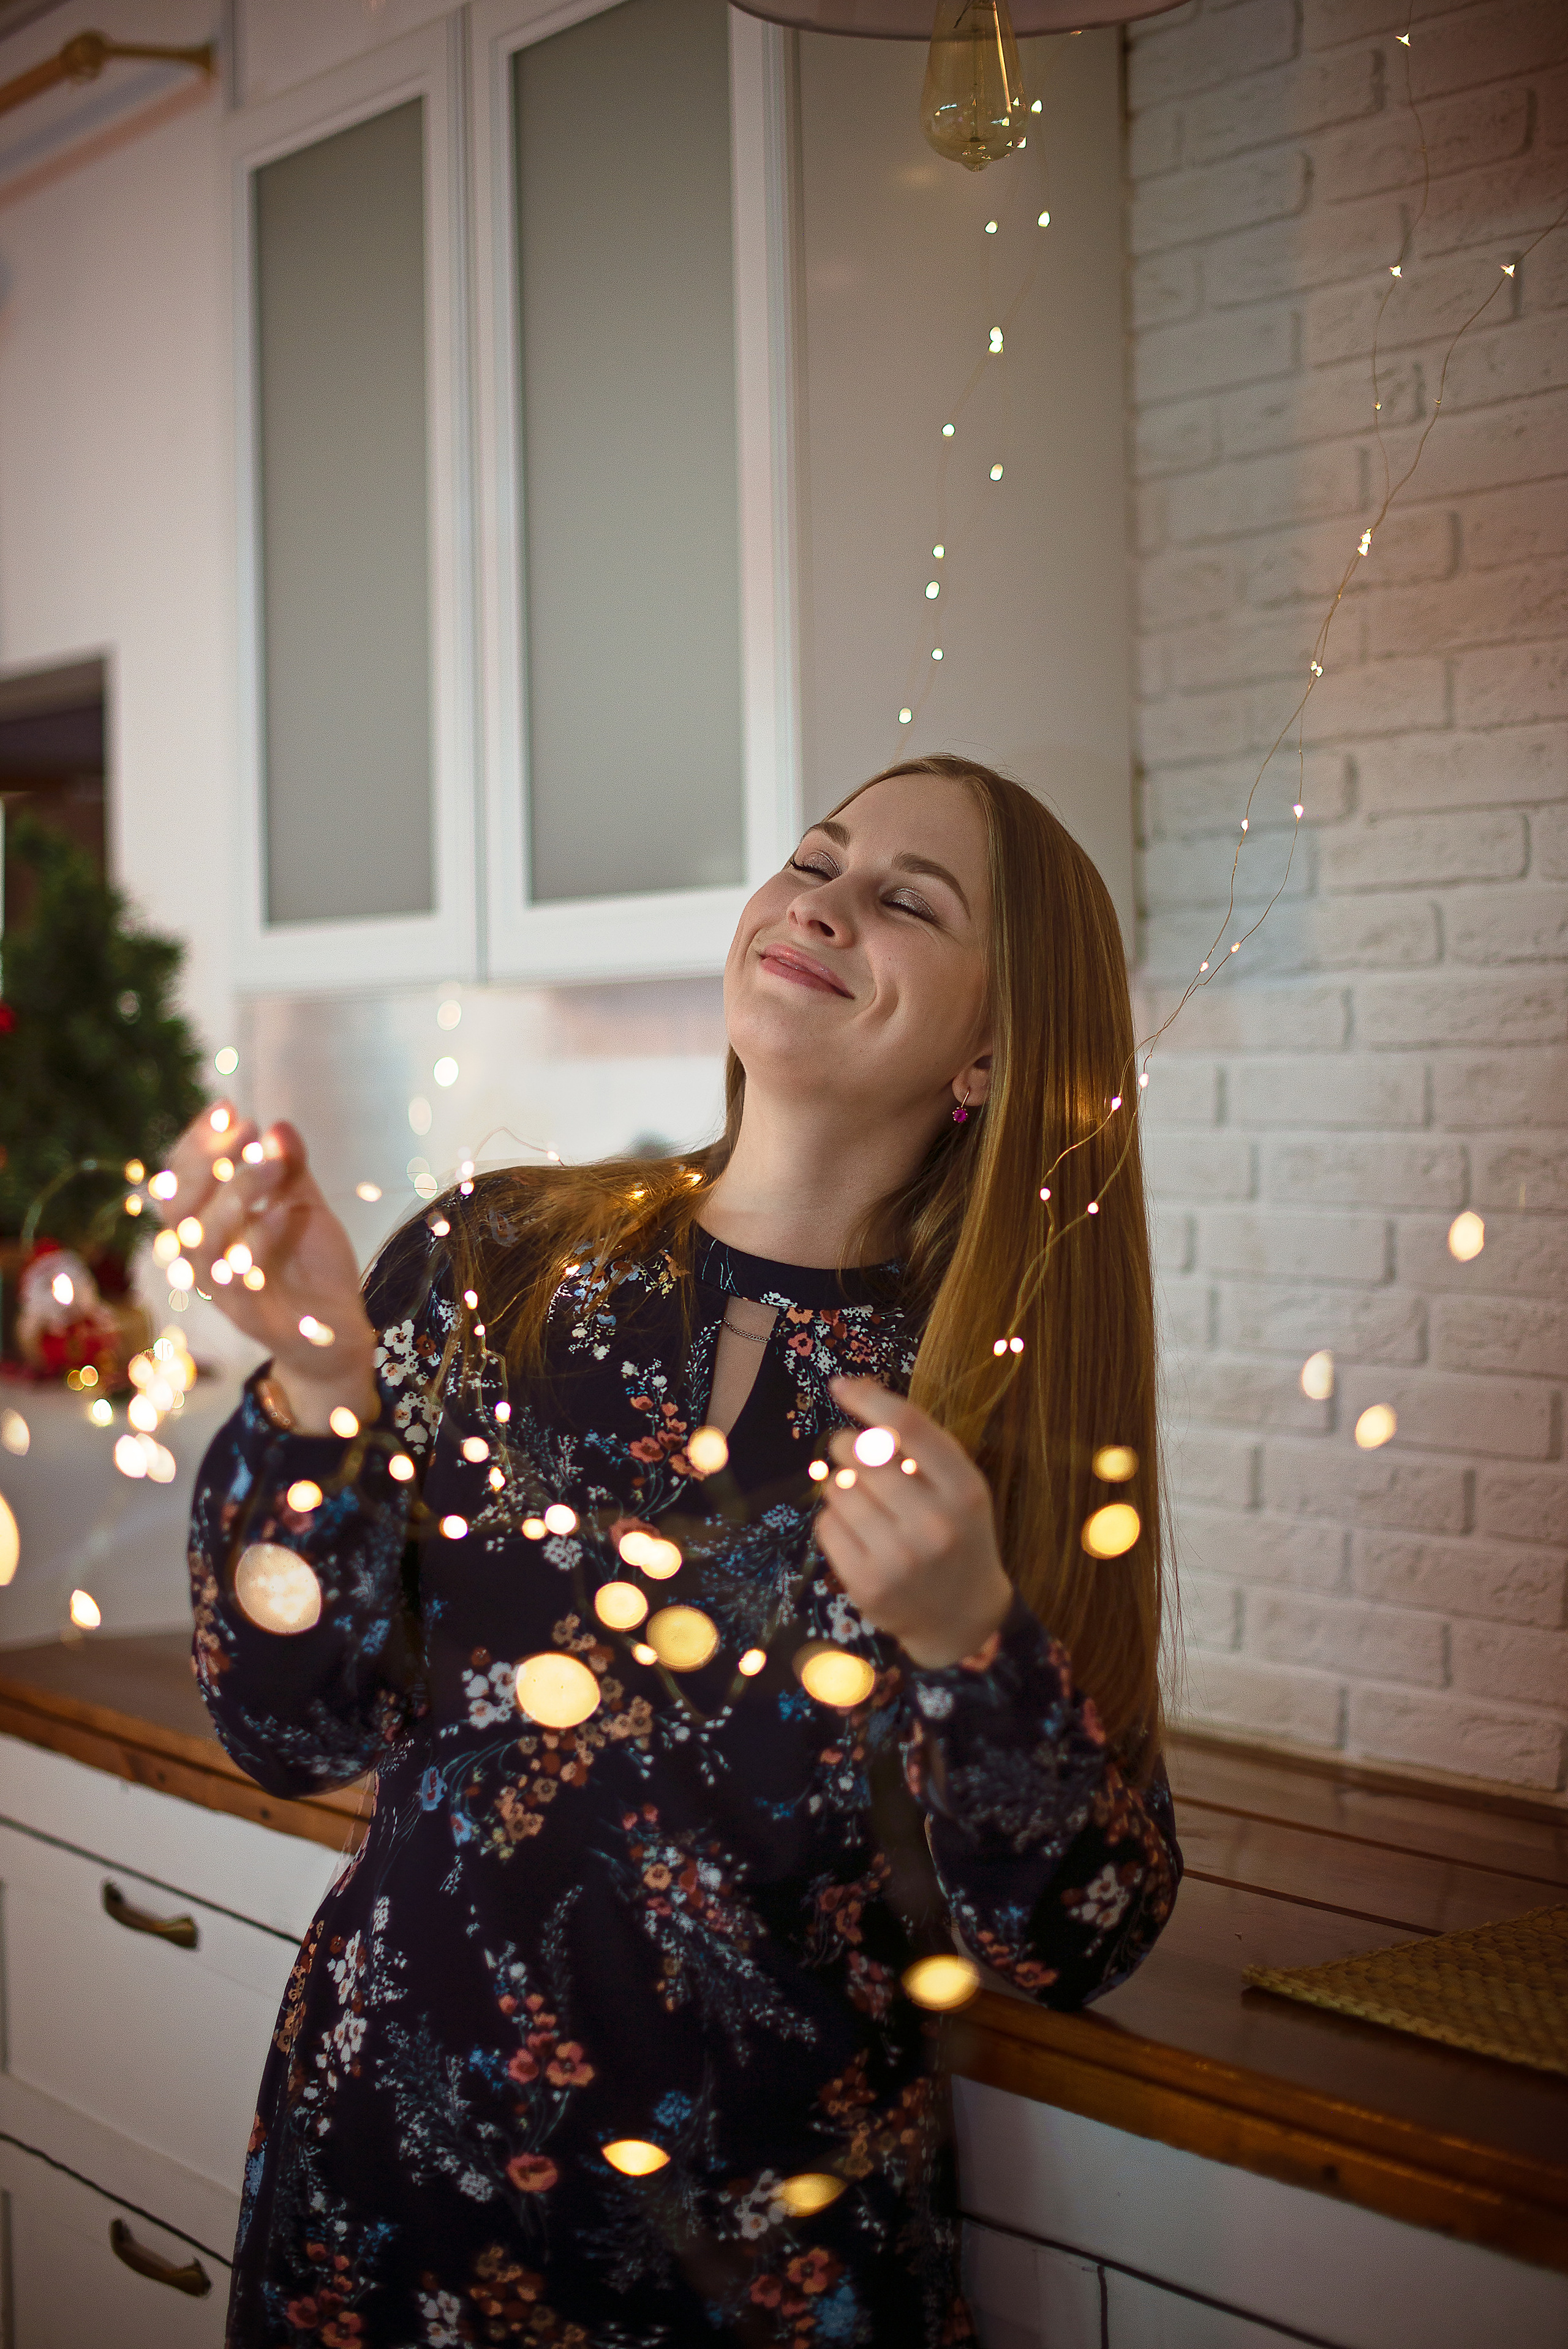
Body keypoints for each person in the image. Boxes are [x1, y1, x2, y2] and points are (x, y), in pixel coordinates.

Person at [175, 755, 1182, 2348]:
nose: (826, 906)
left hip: (754, 2278)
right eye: (816, 860)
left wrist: (970, 1638)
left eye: (909, 901)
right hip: (378, 2215)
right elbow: (285, 1729)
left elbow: (1075, 1937)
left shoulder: (995, 1415)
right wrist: (315, 1386)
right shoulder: (491, 1263)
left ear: (991, 1054)